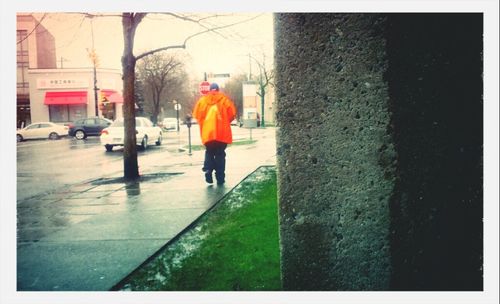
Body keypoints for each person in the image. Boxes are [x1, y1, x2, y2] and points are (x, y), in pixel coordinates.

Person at [192, 83, 237, 185]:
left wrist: (204, 124)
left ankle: (208, 169)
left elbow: (197, 115)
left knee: (209, 152)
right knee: (220, 154)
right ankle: (220, 177)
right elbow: (232, 114)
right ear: (218, 89)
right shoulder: (224, 100)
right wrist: (225, 122)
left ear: (210, 90)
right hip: (222, 133)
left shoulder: (202, 101)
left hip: (208, 133)